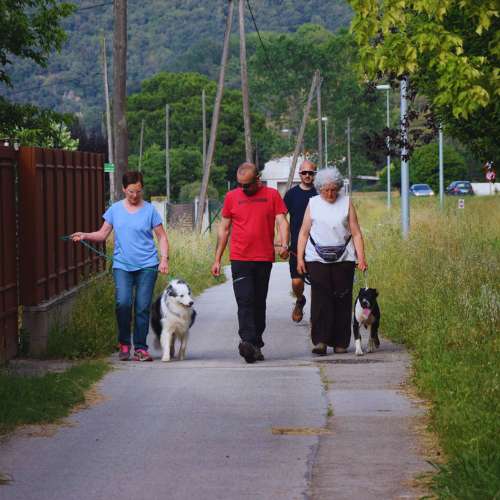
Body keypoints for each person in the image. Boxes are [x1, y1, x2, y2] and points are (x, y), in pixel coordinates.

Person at [71, 171, 169, 362]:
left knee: (142, 307)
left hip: (147, 266)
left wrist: (164, 258)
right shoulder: (115, 210)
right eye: (131, 191)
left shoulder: (150, 210)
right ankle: (124, 343)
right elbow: (102, 234)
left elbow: (162, 237)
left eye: (138, 191)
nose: (135, 195)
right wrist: (85, 235)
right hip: (122, 266)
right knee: (123, 303)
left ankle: (140, 348)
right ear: (124, 189)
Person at [211, 163, 289, 363]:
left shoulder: (271, 195)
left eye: (247, 185)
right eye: (240, 185)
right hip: (240, 258)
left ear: (258, 180)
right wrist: (217, 259)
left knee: (258, 301)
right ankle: (247, 341)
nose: (243, 189)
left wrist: (283, 244)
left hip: (263, 258)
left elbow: (281, 221)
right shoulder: (231, 197)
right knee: (244, 300)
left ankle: (256, 343)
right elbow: (224, 229)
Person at [296, 167, 367, 355]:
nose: (330, 193)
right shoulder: (313, 203)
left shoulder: (346, 203)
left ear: (338, 187)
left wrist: (362, 258)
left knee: (342, 298)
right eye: (326, 190)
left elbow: (356, 232)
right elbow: (303, 233)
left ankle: (340, 342)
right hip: (316, 257)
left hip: (344, 257)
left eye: (333, 189)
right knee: (321, 299)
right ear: (319, 189)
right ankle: (320, 340)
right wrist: (300, 258)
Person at [283, 159, 318, 322]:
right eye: (304, 172)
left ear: (315, 174)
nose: (307, 175)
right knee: (297, 282)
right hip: (296, 247)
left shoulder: (321, 193)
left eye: (310, 173)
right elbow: (282, 220)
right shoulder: (291, 194)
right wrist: (283, 243)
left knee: (318, 284)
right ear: (300, 174)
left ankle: (316, 316)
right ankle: (300, 300)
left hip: (318, 247)